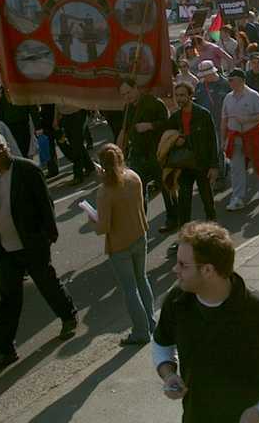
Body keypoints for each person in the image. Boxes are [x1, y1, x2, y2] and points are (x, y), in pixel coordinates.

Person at [152, 222, 259, 423]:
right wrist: (169, 375)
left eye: (183, 265)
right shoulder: (177, 300)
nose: (174, 269)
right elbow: (161, 342)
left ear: (207, 270)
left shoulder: (258, 310)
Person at [0, 134, 78, 372]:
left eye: (0, 147)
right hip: (6, 248)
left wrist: (49, 235)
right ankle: (6, 350)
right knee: (8, 299)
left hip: (32, 242)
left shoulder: (27, 170)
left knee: (47, 282)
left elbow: (45, 203)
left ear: (7, 147)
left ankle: (68, 316)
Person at [92, 144, 156, 345]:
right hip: (139, 235)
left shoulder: (105, 191)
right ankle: (151, 322)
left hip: (119, 244)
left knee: (130, 289)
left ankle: (140, 331)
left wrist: (92, 220)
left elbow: (103, 227)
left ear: (102, 167)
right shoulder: (134, 177)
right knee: (142, 280)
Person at [118, 78, 175, 230]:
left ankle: (172, 218)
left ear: (136, 87)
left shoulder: (154, 102)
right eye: (123, 94)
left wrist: (150, 125)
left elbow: (168, 123)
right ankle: (141, 223)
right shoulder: (128, 109)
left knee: (165, 187)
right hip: (138, 154)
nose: (127, 96)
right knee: (138, 189)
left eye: (128, 92)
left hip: (156, 152)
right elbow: (125, 130)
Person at [165, 82, 220, 228]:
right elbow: (165, 137)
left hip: (202, 163)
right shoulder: (175, 117)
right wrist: (175, 140)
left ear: (190, 95)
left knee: (207, 199)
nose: (179, 98)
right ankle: (184, 234)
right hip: (184, 165)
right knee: (184, 200)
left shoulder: (203, 114)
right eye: (177, 95)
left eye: (182, 95)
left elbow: (213, 141)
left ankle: (213, 230)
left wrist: (214, 166)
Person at [222, 69, 259, 210]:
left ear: (241, 80)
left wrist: (247, 119)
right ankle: (237, 197)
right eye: (229, 80)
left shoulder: (253, 96)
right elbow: (224, 120)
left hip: (253, 135)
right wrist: (223, 139)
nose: (230, 83)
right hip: (235, 137)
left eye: (232, 80)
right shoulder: (228, 98)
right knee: (236, 168)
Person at [194, 60, 231, 175]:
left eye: (206, 75)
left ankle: (220, 175)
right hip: (205, 124)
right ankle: (222, 168)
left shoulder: (226, 84)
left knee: (219, 149)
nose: (204, 77)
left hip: (222, 122)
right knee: (209, 150)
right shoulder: (200, 86)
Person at [55, 104, 95, 185]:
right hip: (65, 115)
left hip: (78, 113)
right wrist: (56, 118)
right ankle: (89, 166)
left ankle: (78, 175)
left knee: (76, 144)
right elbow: (56, 102)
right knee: (76, 144)